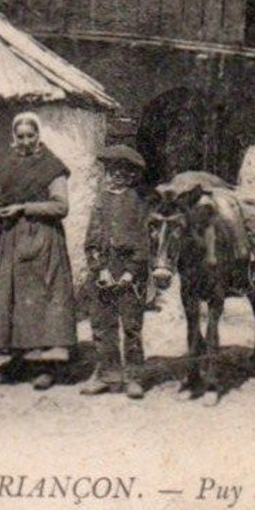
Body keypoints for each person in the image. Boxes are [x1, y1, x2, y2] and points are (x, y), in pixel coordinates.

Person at [0, 112, 75, 390]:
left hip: (42, 239)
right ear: (14, 137)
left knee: (41, 299)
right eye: (20, 136)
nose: (25, 141)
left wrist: (24, 208)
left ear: (38, 136)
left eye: (30, 135)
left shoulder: (51, 166)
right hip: (9, 238)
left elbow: (61, 206)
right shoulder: (7, 164)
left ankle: (46, 365)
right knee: (13, 300)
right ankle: (18, 360)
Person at [80, 145, 153, 399]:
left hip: (129, 274)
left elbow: (144, 243)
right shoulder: (101, 200)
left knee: (131, 326)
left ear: (133, 175)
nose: (117, 176)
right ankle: (107, 374)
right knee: (102, 325)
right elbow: (91, 239)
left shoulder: (140, 202)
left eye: (124, 171)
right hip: (103, 272)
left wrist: (130, 273)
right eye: (113, 170)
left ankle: (134, 376)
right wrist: (99, 270)